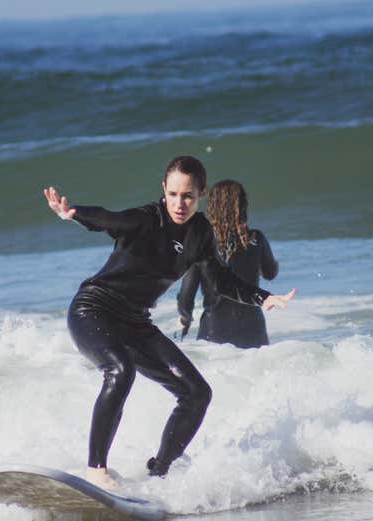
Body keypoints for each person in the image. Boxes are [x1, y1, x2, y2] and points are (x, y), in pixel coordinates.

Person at [44, 156, 295, 489]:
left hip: (135, 322)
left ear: (201, 194)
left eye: (188, 196)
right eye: (173, 194)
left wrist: (263, 297)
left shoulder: (201, 232)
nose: (180, 203)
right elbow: (109, 219)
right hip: (94, 309)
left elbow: (219, 279)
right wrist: (72, 212)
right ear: (164, 189)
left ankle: (158, 474)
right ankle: (96, 470)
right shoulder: (147, 219)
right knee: (120, 370)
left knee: (197, 393)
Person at [177, 180, 278, 348]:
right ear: (242, 205)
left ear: (212, 206)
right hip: (253, 330)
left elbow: (186, 297)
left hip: (214, 331)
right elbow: (270, 273)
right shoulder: (256, 239)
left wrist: (185, 320)